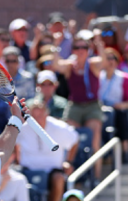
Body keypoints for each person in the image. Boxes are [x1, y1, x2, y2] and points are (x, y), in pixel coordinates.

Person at [55, 31, 105, 181]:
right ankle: (67, 171)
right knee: (67, 135)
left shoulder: (93, 64)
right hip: (75, 105)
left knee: (95, 136)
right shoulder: (71, 66)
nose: (81, 50)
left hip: (92, 106)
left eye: (84, 47)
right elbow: (56, 65)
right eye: (77, 47)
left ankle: (96, 176)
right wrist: (56, 44)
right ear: (73, 50)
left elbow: (104, 61)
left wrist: (98, 42)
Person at [16, 99, 78, 201]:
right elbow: (15, 145)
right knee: (14, 178)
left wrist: (68, 161)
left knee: (59, 179)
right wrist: (16, 159)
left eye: (41, 115)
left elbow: (75, 139)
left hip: (52, 171)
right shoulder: (23, 128)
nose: (38, 119)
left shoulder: (59, 127)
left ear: (47, 114)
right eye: (34, 116)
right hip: (27, 171)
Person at [99, 48, 128, 161]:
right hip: (100, 108)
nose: (110, 61)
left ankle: (126, 150)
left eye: (113, 58)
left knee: (121, 118)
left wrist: (119, 105)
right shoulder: (97, 76)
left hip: (117, 108)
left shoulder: (124, 78)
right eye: (107, 58)